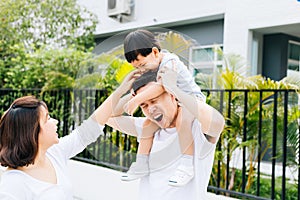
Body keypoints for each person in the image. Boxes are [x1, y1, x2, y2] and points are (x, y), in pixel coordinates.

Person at [0, 70, 140, 200]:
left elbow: (88, 130)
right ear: (32, 132)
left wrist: (122, 90)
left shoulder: (53, 154)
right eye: (47, 119)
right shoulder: (12, 185)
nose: (55, 122)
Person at [107, 66, 225, 200]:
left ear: (171, 95)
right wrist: (133, 94)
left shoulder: (196, 128)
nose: (150, 109)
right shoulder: (149, 129)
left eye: (154, 99)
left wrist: (172, 87)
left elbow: (217, 122)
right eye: (143, 104)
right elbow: (106, 117)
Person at [121, 28, 206, 186]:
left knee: (183, 120)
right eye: (137, 68)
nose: (142, 70)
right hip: (176, 100)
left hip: (192, 100)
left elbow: (163, 87)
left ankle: (187, 166)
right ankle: (141, 163)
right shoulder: (154, 66)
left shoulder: (170, 62)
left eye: (143, 65)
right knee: (148, 123)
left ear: (154, 52)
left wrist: (136, 100)